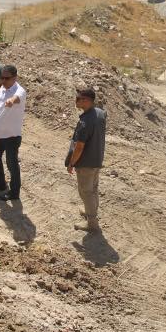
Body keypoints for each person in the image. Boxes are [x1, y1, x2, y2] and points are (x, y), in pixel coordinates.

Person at [65, 86, 107, 232]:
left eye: (78, 99)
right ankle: (90, 211)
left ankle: (92, 223)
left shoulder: (85, 122)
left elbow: (79, 147)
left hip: (86, 163)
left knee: (86, 192)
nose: (76, 101)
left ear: (86, 101)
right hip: (97, 158)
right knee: (93, 189)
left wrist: (71, 163)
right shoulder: (100, 113)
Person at [0, 64, 25, 203]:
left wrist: (11, 100)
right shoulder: (3, 87)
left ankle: (14, 192)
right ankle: (0, 183)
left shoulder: (19, 91)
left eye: (6, 78)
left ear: (15, 77)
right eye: (1, 77)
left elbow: (17, 98)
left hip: (12, 136)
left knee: (12, 164)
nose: (3, 80)